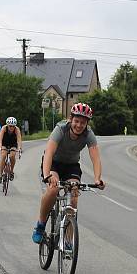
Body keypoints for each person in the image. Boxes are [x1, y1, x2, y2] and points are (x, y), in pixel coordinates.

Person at [32, 103, 105, 244]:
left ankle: (68, 239)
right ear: (71, 119)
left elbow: (95, 158)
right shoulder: (60, 129)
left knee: (74, 195)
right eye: (76, 121)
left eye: (83, 123)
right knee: (53, 189)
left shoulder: (88, 134)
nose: (79, 125)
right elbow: (49, 153)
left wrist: (97, 179)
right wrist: (47, 175)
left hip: (71, 166)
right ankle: (40, 225)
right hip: (54, 162)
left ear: (87, 123)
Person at [0, 116, 23, 184]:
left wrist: (19, 148)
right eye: (10, 126)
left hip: (13, 144)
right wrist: (0, 147)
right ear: (7, 125)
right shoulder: (4, 128)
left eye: (13, 126)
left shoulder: (17, 129)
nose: (11, 127)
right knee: (3, 156)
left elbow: (19, 140)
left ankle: (11, 171)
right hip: (4, 143)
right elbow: (0, 139)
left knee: (12, 156)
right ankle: (0, 175)